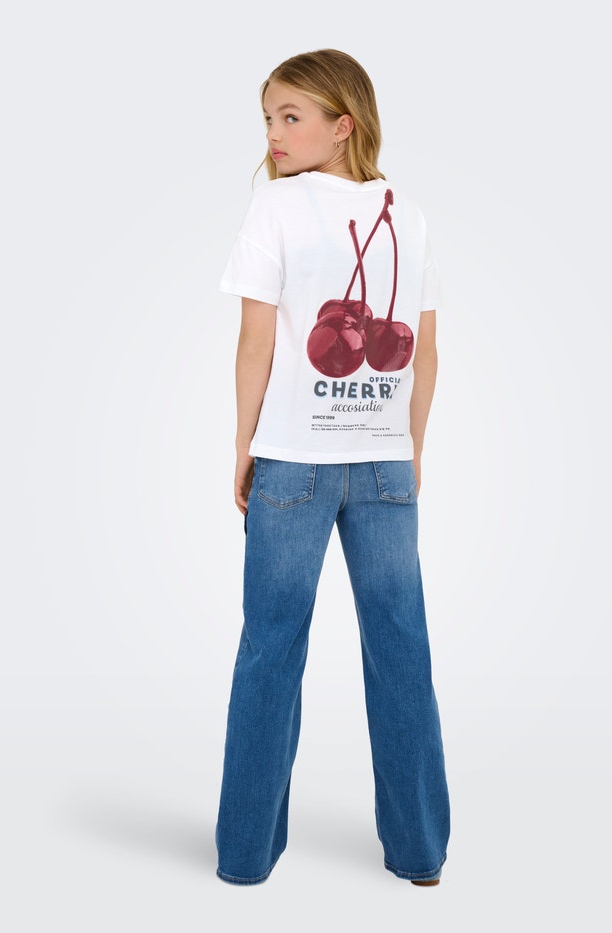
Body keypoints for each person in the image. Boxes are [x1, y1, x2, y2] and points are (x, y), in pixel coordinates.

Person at [215, 48, 450, 886]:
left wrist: (243, 445)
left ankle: (246, 855)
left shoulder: (276, 206)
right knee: (402, 648)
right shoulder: (407, 214)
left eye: (291, 117)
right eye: (268, 119)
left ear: (342, 124)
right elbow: (423, 353)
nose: (274, 135)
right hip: (386, 464)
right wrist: (410, 450)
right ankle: (420, 853)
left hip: (295, 462)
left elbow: (255, 343)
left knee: (270, 649)